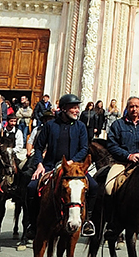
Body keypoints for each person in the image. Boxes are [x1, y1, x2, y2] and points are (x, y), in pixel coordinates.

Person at [25, 94, 92, 234]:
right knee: (31, 187)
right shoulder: (50, 126)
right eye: (73, 107)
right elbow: (39, 147)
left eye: (77, 107)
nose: (76, 110)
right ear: (63, 109)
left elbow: (84, 148)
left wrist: (72, 161)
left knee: (95, 187)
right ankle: (32, 223)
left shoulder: (80, 127)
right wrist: (39, 164)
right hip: (51, 165)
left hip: (75, 168)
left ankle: (87, 220)